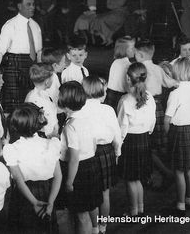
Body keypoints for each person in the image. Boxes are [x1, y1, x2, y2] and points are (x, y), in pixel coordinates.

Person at [4, 103, 61, 233]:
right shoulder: (51, 144)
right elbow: (58, 176)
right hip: (47, 191)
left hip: (24, 195)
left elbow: (19, 181)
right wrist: (51, 202)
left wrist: (34, 202)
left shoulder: (12, 149)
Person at [58, 81, 103, 234]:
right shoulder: (87, 119)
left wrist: (69, 182)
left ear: (65, 102)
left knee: (81, 215)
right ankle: (96, 230)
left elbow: (74, 157)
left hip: (77, 171)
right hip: (91, 164)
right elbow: (94, 143)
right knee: (91, 205)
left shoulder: (71, 125)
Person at [82, 76, 122, 234]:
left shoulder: (79, 110)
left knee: (91, 193)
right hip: (106, 151)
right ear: (100, 91)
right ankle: (103, 227)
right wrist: (117, 153)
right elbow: (117, 135)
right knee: (105, 193)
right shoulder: (108, 110)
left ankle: (93, 228)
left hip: (87, 153)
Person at [135, 39, 177, 186]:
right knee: (159, 145)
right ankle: (164, 173)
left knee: (148, 146)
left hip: (145, 107)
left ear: (139, 54)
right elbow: (171, 83)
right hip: (158, 107)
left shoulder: (137, 69)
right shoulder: (158, 69)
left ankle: (165, 173)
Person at [0, 0, 42, 113]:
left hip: (31, 67)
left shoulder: (35, 26)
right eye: (28, 4)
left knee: (30, 100)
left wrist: (40, 69)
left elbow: (39, 51)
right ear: (19, 6)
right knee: (14, 104)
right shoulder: (10, 25)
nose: (32, 7)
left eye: (33, 4)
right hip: (14, 67)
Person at [164, 57, 190, 216]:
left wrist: (168, 135)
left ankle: (179, 205)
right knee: (189, 169)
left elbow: (167, 119)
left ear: (176, 73)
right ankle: (189, 199)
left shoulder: (175, 93)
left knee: (179, 171)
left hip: (178, 132)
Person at [117, 62, 156, 216]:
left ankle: (133, 212)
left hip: (130, 142)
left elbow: (121, 128)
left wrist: (117, 148)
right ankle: (140, 208)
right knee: (138, 178)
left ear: (128, 78)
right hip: (145, 139)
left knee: (131, 179)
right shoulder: (149, 97)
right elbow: (152, 121)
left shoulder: (125, 100)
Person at [25, 63, 58, 138]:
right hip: (46, 136)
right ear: (47, 81)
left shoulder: (31, 94)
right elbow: (51, 123)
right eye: (52, 77)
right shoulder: (43, 100)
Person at [105, 36, 135, 112]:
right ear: (124, 50)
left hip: (110, 94)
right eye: (132, 48)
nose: (134, 50)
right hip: (120, 96)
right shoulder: (128, 65)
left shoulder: (115, 62)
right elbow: (127, 85)